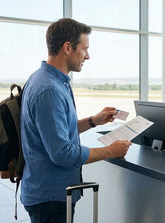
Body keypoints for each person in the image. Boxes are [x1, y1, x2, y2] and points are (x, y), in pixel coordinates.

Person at [20, 18, 132, 223]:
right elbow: (61, 153)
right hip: (50, 198)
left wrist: (92, 121)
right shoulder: (49, 90)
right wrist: (110, 151)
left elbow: (56, 131)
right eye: (85, 49)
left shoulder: (48, 79)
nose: (87, 56)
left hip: (48, 193)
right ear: (68, 48)